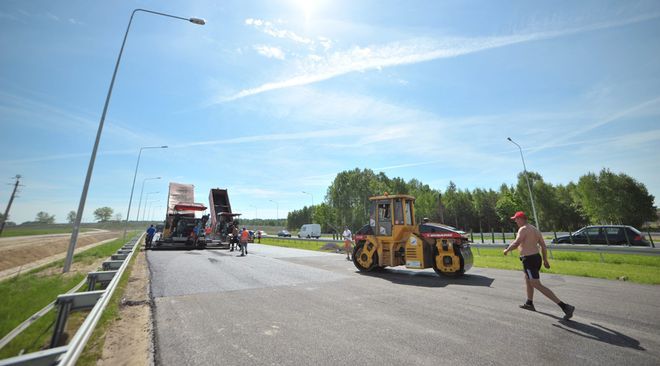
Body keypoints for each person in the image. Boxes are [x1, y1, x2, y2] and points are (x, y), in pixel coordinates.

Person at [503, 211, 575, 320]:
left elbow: (516, 243)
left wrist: (507, 250)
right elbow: (543, 246)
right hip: (536, 258)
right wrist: (545, 260)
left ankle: (565, 306)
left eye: (516, 219)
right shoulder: (534, 229)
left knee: (536, 284)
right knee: (528, 279)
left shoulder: (523, 229)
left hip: (529, 259)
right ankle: (529, 303)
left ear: (521, 219)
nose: (515, 221)